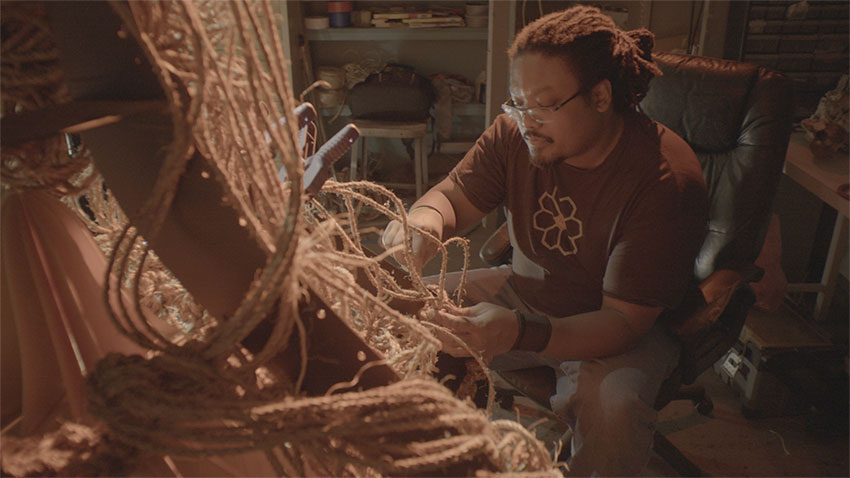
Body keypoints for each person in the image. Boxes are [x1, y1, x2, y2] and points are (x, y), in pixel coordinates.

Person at [381, 5, 708, 476]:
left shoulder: (663, 180)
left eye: (542, 105)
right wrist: (425, 221)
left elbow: (623, 321)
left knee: (611, 409)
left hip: (616, 326)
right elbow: (452, 197)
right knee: (395, 314)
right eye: (516, 103)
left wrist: (517, 331)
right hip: (525, 292)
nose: (526, 121)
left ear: (600, 96)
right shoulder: (515, 133)